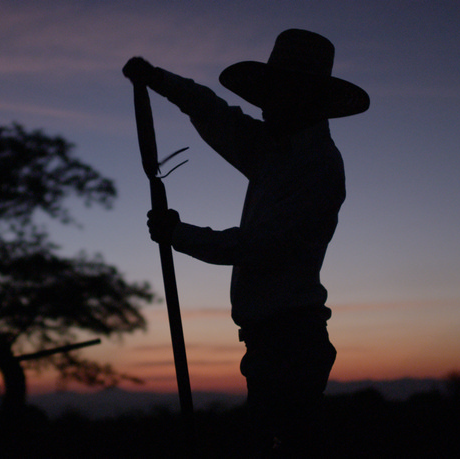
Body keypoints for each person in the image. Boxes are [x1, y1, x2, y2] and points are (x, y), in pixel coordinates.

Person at [123, 29, 369, 457]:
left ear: (304, 98)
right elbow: (214, 113)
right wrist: (157, 80)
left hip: (291, 343)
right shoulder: (274, 150)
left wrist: (178, 234)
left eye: (278, 94)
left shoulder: (317, 166)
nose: (266, 105)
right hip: (273, 341)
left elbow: (261, 247)